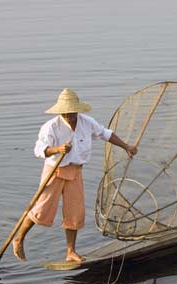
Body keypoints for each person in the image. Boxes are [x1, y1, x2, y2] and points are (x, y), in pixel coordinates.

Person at [12, 88, 137, 263]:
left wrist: (127, 146)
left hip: (75, 171)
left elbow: (106, 134)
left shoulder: (87, 122)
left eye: (72, 113)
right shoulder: (51, 127)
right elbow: (39, 150)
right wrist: (58, 149)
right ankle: (19, 239)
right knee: (41, 210)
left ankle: (71, 252)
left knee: (75, 212)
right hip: (55, 170)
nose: (69, 116)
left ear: (77, 110)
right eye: (66, 113)